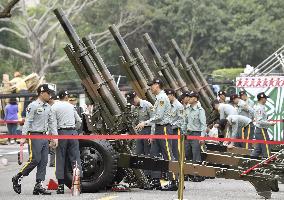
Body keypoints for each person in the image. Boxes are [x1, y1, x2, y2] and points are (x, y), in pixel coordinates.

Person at [12, 84, 58, 195]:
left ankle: (39, 185)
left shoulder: (48, 107)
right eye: (49, 93)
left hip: (44, 136)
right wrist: (23, 137)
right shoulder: (33, 105)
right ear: (42, 93)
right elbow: (28, 122)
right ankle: (18, 177)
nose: (50, 95)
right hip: (34, 135)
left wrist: (54, 137)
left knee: (43, 161)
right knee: (35, 159)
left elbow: (52, 123)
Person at [135, 78, 177, 191]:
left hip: (163, 129)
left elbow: (159, 116)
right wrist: (153, 133)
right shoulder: (158, 98)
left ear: (157, 85)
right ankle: (156, 180)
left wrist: (145, 122)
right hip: (158, 129)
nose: (150, 88)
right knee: (154, 154)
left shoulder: (162, 98)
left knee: (168, 155)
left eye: (151, 85)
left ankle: (174, 181)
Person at [52, 90, 82, 194]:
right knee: (75, 158)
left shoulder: (54, 107)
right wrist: (75, 129)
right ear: (65, 97)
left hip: (61, 133)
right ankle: (77, 184)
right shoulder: (71, 106)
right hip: (73, 132)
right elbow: (79, 121)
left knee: (60, 158)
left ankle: (60, 186)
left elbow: (52, 123)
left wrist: (54, 137)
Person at [182, 91, 207, 182]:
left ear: (195, 99)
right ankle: (189, 173)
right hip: (188, 134)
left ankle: (198, 174)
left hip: (196, 134)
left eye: (191, 97)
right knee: (187, 153)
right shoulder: (187, 109)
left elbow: (203, 124)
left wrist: (202, 136)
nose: (189, 99)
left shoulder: (200, 110)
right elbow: (185, 122)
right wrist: (183, 132)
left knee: (196, 154)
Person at [251, 92, 276, 158]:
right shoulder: (260, 108)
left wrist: (268, 122)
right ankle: (267, 161)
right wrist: (270, 123)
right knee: (266, 146)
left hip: (260, 130)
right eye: (265, 98)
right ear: (262, 99)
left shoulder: (260, 107)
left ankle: (251, 160)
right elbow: (259, 121)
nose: (266, 100)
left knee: (258, 149)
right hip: (261, 130)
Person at [165, 88, 184, 160]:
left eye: (168, 96)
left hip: (176, 131)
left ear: (172, 95)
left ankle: (178, 170)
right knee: (170, 151)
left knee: (177, 151)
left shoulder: (179, 106)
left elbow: (181, 120)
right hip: (168, 131)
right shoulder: (168, 105)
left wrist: (171, 126)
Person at [47, 94, 59, 167]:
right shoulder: (52, 106)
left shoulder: (53, 107)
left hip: (55, 128)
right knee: (53, 147)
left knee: (53, 146)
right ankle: (53, 162)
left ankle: (53, 162)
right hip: (56, 128)